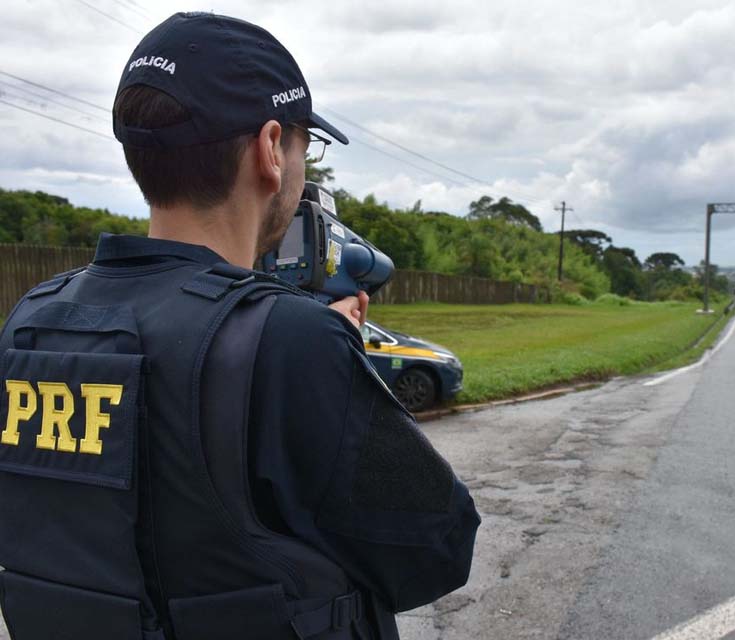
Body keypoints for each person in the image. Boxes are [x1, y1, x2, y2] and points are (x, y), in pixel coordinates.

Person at [0, 12, 479, 640]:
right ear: (270, 148)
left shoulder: (32, 321)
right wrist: (327, 351)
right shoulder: (291, 341)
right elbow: (438, 549)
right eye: (308, 147)